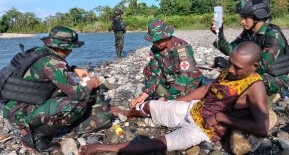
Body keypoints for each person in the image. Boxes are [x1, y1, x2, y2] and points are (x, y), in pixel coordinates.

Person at [79, 42, 269, 155]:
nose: (231, 69)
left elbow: (262, 128)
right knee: (150, 106)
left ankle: (102, 147)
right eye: (230, 63)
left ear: (254, 66)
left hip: (204, 131)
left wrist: (222, 118)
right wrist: (181, 101)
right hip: (192, 109)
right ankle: (126, 113)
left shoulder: (255, 87)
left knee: (159, 143)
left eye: (237, 67)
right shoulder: (230, 71)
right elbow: (207, 88)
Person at [0, 26, 112, 153]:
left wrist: (74, 68)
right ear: (62, 47)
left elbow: (51, 67)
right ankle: (35, 138)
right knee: (77, 103)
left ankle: (47, 124)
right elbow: (78, 94)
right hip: (20, 114)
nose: (70, 51)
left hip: (13, 108)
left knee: (68, 93)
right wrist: (91, 83)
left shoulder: (40, 52)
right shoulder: (52, 62)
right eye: (69, 48)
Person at [211, 0, 289, 105]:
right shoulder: (248, 33)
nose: (242, 21)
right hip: (256, 72)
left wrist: (232, 67)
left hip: (274, 78)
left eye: (245, 17)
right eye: (242, 17)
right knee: (228, 75)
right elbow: (233, 51)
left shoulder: (273, 36)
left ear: (257, 16)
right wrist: (219, 35)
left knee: (243, 79)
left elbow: (260, 67)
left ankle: (263, 104)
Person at [131, 19, 203, 108]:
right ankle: (165, 94)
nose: (156, 43)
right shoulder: (155, 49)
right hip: (170, 79)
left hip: (187, 80)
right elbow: (155, 74)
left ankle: (169, 95)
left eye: (159, 40)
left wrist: (166, 97)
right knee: (148, 69)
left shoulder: (182, 48)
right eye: (154, 41)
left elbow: (185, 77)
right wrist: (144, 95)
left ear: (167, 35)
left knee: (183, 101)